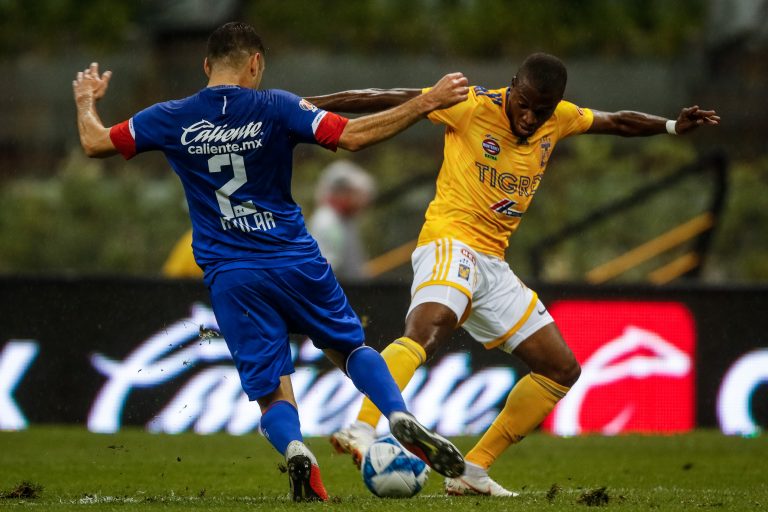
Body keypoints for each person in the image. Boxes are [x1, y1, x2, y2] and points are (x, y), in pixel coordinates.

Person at [72, 21, 469, 502]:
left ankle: (297, 448)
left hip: (232, 274)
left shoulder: (169, 116)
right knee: (347, 349)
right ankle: (396, 413)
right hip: (294, 259)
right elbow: (353, 137)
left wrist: (86, 100)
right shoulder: (278, 105)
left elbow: (95, 144)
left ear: (205, 66)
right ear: (255, 63)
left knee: (271, 390)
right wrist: (424, 103)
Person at [307, 52, 720, 497]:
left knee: (560, 369)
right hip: (450, 242)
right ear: (512, 86)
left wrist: (673, 127)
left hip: (493, 264)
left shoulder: (558, 119)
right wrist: (302, 106)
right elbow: (385, 97)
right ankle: (363, 428)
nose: (529, 116)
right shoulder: (471, 106)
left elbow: (616, 121)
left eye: (540, 110)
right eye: (523, 103)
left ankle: (472, 470)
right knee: (429, 330)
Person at [308, 160, 376, 280]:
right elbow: (332, 269)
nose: (361, 202)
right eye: (355, 194)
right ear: (341, 193)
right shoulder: (328, 222)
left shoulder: (344, 221)